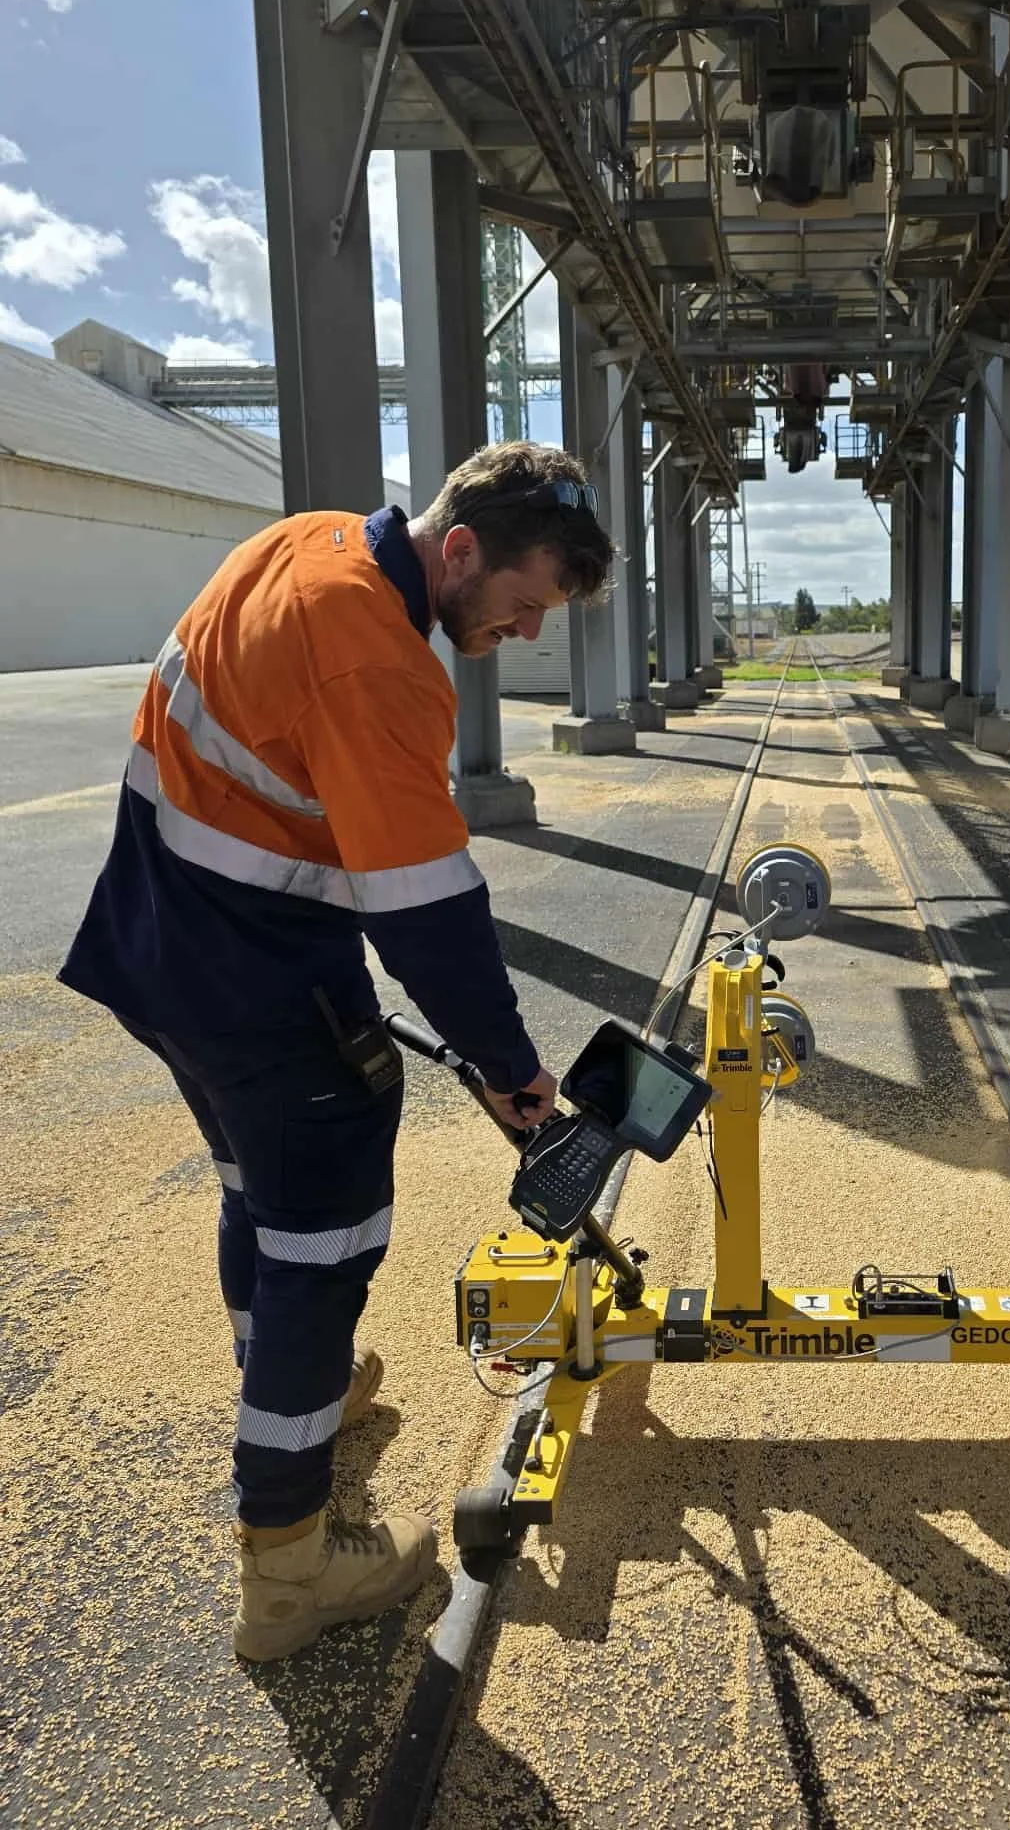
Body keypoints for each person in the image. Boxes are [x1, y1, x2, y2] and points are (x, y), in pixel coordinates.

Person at [59, 440, 615, 1662]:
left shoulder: (304, 541)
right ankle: (290, 1564)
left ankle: (291, 1401)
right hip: (257, 974)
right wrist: (516, 1074)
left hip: (159, 940)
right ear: (459, 549)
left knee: (258, 1197)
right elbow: (424, 907)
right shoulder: (377, 656)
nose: (524, 634)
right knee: (327, 1235)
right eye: (523, 605)